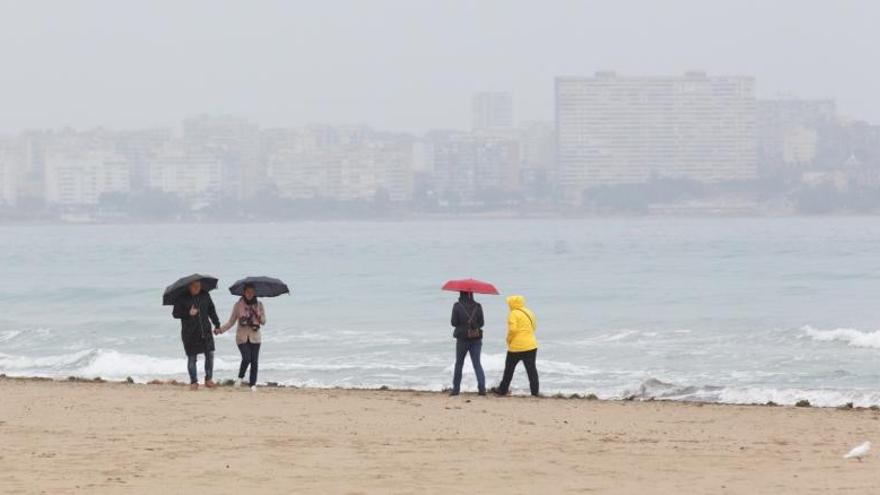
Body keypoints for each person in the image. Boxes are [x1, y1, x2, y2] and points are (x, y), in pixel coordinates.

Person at [172, 280, 221, 391]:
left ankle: (208, 379)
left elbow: (211, 310)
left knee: (210, 355)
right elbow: (175, 314)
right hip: (190, 333)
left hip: (205, 331)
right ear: (189, 286)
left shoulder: (205, 295)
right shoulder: (182, 297)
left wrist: (217, 324)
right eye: (194, 286)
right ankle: (194, 382)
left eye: (199, 286)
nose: (197, 288)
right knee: (192, 358)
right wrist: (188, 313)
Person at [216, 283, 266, 392]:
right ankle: (240, 378)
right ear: (244, 292)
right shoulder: (238, 305)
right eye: (248, 292)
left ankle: (253, 384)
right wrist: (220, 330)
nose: (250, 294)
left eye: (252, 292)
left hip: (255, 337)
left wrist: (258, 315)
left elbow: (263, 322)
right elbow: (231, 322)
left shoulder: (259, 305)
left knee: (254, 361)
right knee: (247, 358)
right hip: (241, 337)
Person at [492, 295, 539, 397]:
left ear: (512, 304)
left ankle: (502, 390)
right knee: (531, 370)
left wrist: (508, 339)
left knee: (509, 370)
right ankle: (535, 393)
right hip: (531, 345)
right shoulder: (529, 312)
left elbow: (513, 330)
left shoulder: (513, 314)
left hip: (516, 347)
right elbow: (534, 326)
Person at [449, 291, 486, 396]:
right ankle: (482, 388)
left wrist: (463, 324)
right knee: (477, 364)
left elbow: (453, 322)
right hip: (476, 338)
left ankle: (456, 389)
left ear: (461, 294)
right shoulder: (478, 306)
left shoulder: (457, 306)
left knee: (459, 364)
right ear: (471, 294)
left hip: (462, 339)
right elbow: (482, 323)